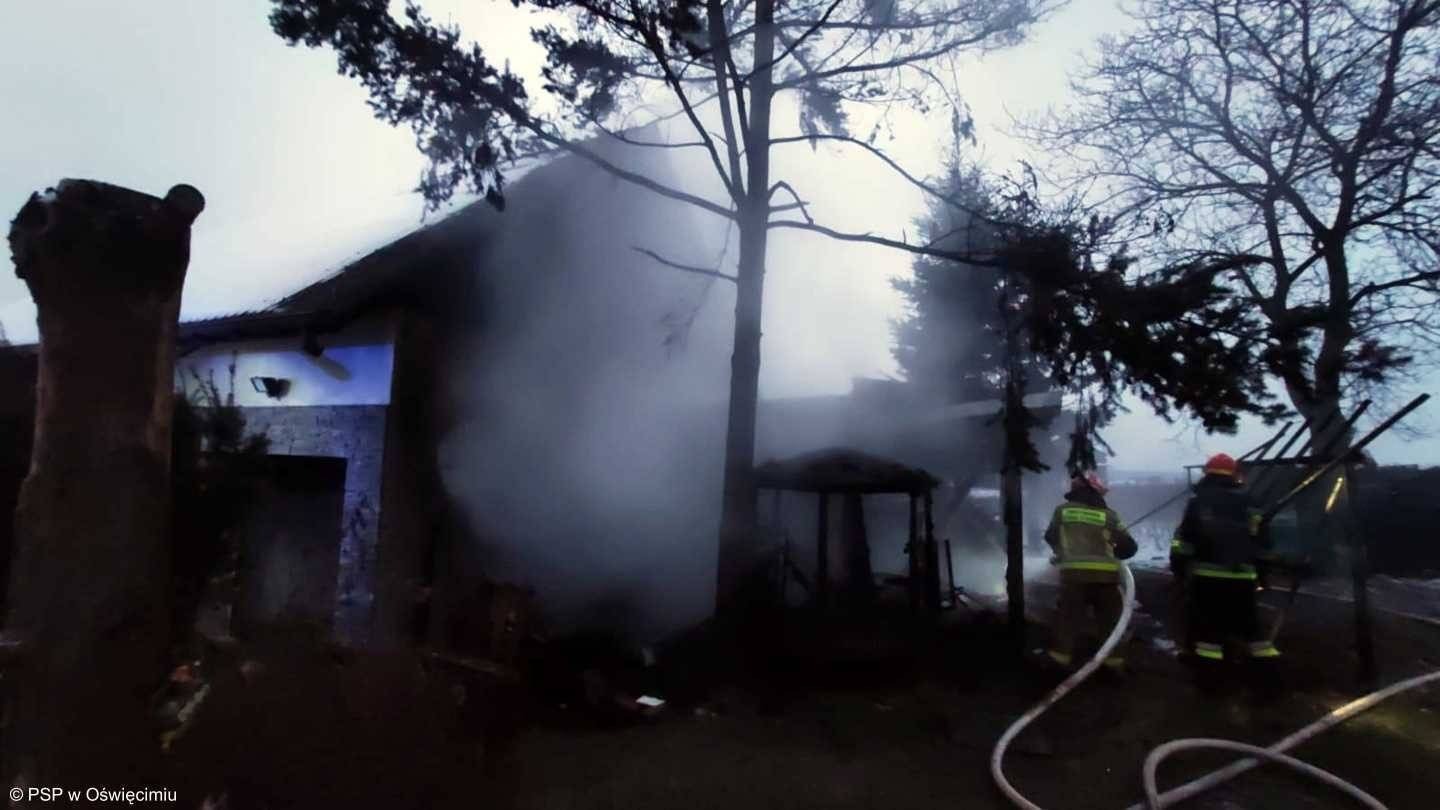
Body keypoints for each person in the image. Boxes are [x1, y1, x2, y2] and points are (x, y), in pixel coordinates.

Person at [1171, 453, 1278, 691]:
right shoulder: (1250, 503)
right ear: (1234, 475)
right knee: (1252, 629)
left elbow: (1185, 542)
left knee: (1208, 630)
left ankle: (1211, 682)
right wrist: (1262, 574)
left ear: (1207, 474)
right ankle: (1270, 678)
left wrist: (1178, 569)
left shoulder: (1199, 502)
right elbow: (1263, 544)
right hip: (1244, 579)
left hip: (1207, 578)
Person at [1044, 470, 1138, 672]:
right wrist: (1113, 547)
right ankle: (1113, 665)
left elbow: (1051, 536)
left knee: (1067, 620)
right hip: (1106, 577)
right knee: (1110, 621)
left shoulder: (1062, 511)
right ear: (1097, 492)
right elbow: (1129, 547)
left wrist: (1063, 553)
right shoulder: (1109, 516)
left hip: (1074, 577)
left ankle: (1058, 662)